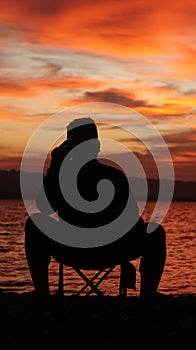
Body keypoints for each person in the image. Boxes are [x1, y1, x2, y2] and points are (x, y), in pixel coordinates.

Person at [25, 117, 166, 312]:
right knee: (155, 232)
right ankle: (145, 306)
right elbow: (134, 222)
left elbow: (43, 209)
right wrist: (56, 168)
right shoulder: (111, 176)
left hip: (75, 250)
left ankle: (43, 302)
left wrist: (55, 166)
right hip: (107, 251)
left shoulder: (76, 177)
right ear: (97, 146)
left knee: (35, 224)